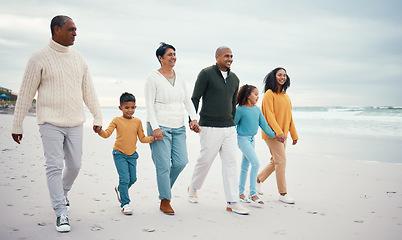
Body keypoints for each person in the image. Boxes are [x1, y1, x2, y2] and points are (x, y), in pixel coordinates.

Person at [11, 15, 102, 232]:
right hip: (49, 122)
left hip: (75, 122)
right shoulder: (38, 58)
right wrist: (17, 124)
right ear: (56, 30)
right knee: (53, 166)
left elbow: (88, 91)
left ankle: (62, 192)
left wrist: (98, 117)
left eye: (76, 29)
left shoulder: (79, 59)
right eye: (71, 29)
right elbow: (25, 93)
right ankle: (61, 212)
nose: (75, 33)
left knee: (75, 165)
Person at [188, 46, 250, 215]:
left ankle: (232, 201)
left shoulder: (235, 79)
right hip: (209, 126)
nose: (229, 58)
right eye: (226, 56)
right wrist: (192, 120)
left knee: (231, 163)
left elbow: (232, 104)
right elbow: (195, 98)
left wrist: (233, 122)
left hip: (229, 128)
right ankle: (193, 188)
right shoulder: (206, 73)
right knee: (205, 160)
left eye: (231, 56)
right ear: (217, 57)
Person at [145, 42, 199, 215]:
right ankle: (165, 200)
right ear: (160, 58)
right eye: (169, 54)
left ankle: (164, 188)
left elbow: (187, 100)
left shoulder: (180, 76)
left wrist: (194, 119)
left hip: (178, 126)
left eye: (174, 54)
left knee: (180, 162)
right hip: (159, 126)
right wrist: (155, 127)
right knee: (163, 166)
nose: (173, 57)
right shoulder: (152, 77)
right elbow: (149, 106)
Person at [98, 92, 155, 215]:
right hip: (119, 154)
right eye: (127, 107)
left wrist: (153, 138)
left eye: (132, 107)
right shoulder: (116, 120)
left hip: (132, 155)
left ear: (135, 107)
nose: (130, 110)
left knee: (132, 179)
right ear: (121, 108)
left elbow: (142, 138)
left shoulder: (138, 122)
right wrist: (99, 131)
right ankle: (125, 204)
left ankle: (120, 190)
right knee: (124, 178)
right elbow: (107, 134)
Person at [257, 67, 299, 204]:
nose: (282, 77)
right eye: (279, 75)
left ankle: (258, 179)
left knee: (275, 161)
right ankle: (283, 193)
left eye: (284, 75)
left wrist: (293, 134)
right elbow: (269, 116)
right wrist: (278, 133)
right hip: (272, 135)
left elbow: (289, 117)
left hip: (283, 136)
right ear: (273, 77)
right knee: (281, 161)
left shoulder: (286, 96)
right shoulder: (269, 94)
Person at [234, 84, 276, 206]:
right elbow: (233, 125)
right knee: (256, 163)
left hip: (252, 140)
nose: (258, 97)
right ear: (247, 95)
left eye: (258, 94)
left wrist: (276, 135)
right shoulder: (240, 109)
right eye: (255, 94)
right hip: (242, 139)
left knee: (245, 167)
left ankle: (241, 193)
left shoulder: (257, 110)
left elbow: (265, 126)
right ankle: (253, 194)